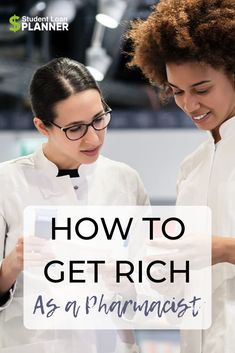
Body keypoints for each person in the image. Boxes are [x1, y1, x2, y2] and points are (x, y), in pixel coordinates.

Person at [0, 57, 148, 353]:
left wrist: (127, 277)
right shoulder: (7, 182)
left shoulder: (125, 181)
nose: (93, 137)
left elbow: (151, 284)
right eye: (75, 128)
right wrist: (13, 264)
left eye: (99, 119)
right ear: (42, 126)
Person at [126, 0, 235, 352]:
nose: (189, 105)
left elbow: (213, 253)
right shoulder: (192, 167)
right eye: (177, 92)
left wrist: (223, 249)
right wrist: (147, 272)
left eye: (202, 90)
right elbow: (179, 290)